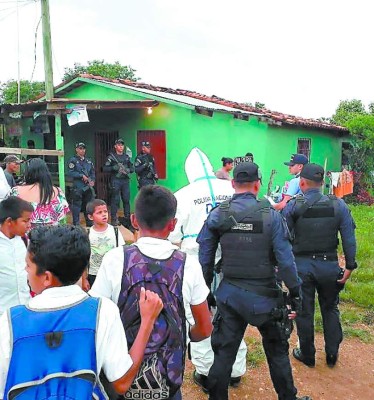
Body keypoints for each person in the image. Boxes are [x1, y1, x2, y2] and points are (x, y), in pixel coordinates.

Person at [0, 225, 163, 399]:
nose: (26, 270)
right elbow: (122, 383)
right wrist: (147, 322)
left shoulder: (11, 320)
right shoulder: (103, 311)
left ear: (47, 277)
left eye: (28, 266)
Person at [197, 162, 311, 400]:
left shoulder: (218, 213)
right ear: (258, 185)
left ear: (232, 183)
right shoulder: (272, 215)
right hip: (266, 297)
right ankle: (288, 397)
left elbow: (205, 257)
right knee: (277, 352)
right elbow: (286, 262)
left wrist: (206, 290)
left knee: (224, 354)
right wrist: (295, 293)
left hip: (230, 295)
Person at [91, 185, 213, 400]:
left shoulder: (115, 259)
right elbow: (204, 328)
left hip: (121, 373)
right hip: (168, 379)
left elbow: (96, 316)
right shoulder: (188, 264)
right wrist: (184, 336)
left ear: (134, 220)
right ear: (173, 224)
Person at [168, 147, 247, 391]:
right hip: (234, 260)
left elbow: (173, 234)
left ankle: (205, 372)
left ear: (189, 171)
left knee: (199, 314)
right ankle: (235, 371)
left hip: (196, 263)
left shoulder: (182, 195)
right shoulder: (230, 189)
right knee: (234, 314)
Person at [282, 163, 357, 368]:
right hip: (329, 266)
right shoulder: (338, 205)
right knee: (330, 308)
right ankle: (332, 354)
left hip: (301, 267)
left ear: (302, 182)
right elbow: (349, 237)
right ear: (323, 182)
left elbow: (282, 241)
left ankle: (307, 354)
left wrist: (283, 270)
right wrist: (349, 266)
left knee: (304, 311)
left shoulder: (293, 205)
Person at [10, 158, 69, 228]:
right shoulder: (58, 192)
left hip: (26, 236)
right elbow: (63, 213)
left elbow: (8, 213)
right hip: (52, 235)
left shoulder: (16, 191)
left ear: (27, 172)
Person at [0, 197, 33, 317]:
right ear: (9, 221)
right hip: (3, 312)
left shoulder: (24, 241)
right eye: (25, 221)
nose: (29, 225)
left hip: (24, 308)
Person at [86, 199, 125, 286]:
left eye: (105, 211)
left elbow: (122, 251)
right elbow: (84, 258)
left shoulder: (115, 231)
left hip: (113, 272)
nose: (104, 214)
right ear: (90, 217)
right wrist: (84, 278)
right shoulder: (88, 234)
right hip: (94, 274)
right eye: (99, 212)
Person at [103, 138, 134, 227]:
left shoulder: (126, 157)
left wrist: (127, 170)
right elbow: (105, 168)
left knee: (126, 200)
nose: (121, 146)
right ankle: (114, 219)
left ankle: (127, 218)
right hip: (116, 180)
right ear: (115, 146)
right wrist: (114, 168)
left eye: (122, 145)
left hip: (125, 181)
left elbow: (132, 169)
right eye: (119, 145)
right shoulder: (111, 157)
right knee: (115, 200)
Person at [67, 142, 95, 226]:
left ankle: (89, 224)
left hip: (88, 187)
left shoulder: (89, 161)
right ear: (76, 149)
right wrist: (81, 175)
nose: (82, 150)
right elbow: (70, 173)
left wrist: (92, 180)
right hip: (78, 187)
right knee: (76, 206)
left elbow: (93, 172)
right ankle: (76, 224)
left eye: (83, 148)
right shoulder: (73, 160)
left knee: (88, 206)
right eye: (80, 148)